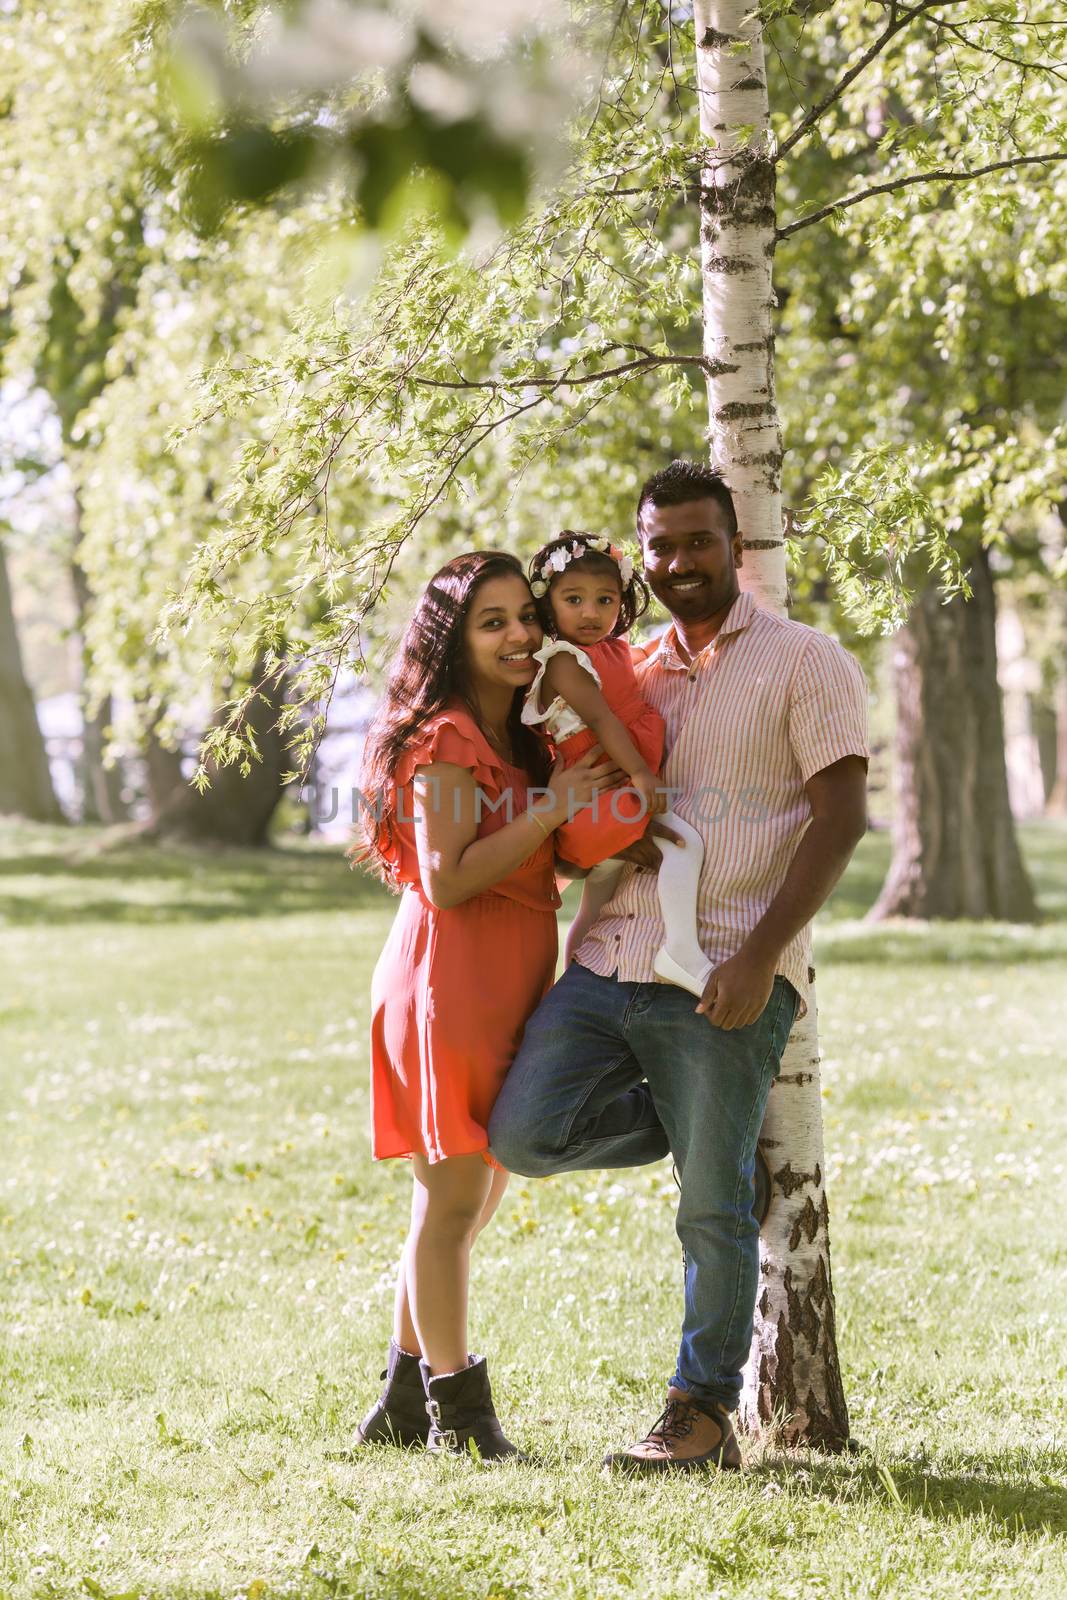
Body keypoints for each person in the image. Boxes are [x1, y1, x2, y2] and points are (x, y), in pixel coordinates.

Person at [489, 460, 870, 1474]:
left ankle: (697, 1412)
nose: (678, 561)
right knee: (524, 1133)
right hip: (608, 957)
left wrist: (757, 958)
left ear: (736, 545)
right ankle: (711, 1128)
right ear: (641, 558)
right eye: (659, 546)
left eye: (698, 540)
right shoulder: (631, 666)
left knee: (708, 1213)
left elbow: (840, 819)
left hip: (720, 976)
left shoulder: (805, 661)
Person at [351, 550, 621, 1460]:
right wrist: (551, 815)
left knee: (468, 1196)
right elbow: (449, 877)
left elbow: (532, 854)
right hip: (448, 983)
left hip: (507, 983)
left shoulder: (520, 737)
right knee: (455, 1202)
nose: (517, 637)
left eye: (523, 618)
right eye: (491, 622)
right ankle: (460, 1423)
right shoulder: (445, 739)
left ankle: (399, 1402)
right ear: (452, 640)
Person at [522, 531, 705, 977]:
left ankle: (571, 978)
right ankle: (682, 950)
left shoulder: (605, 649)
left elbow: (629, 667)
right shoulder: (563, 661)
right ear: (549, 605)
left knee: (596, 904)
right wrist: (642, 774)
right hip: (605, 789)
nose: (590, 612)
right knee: (685, 845)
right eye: (574, 599)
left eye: (605, 601)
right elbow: (604, 721)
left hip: (613, 782)